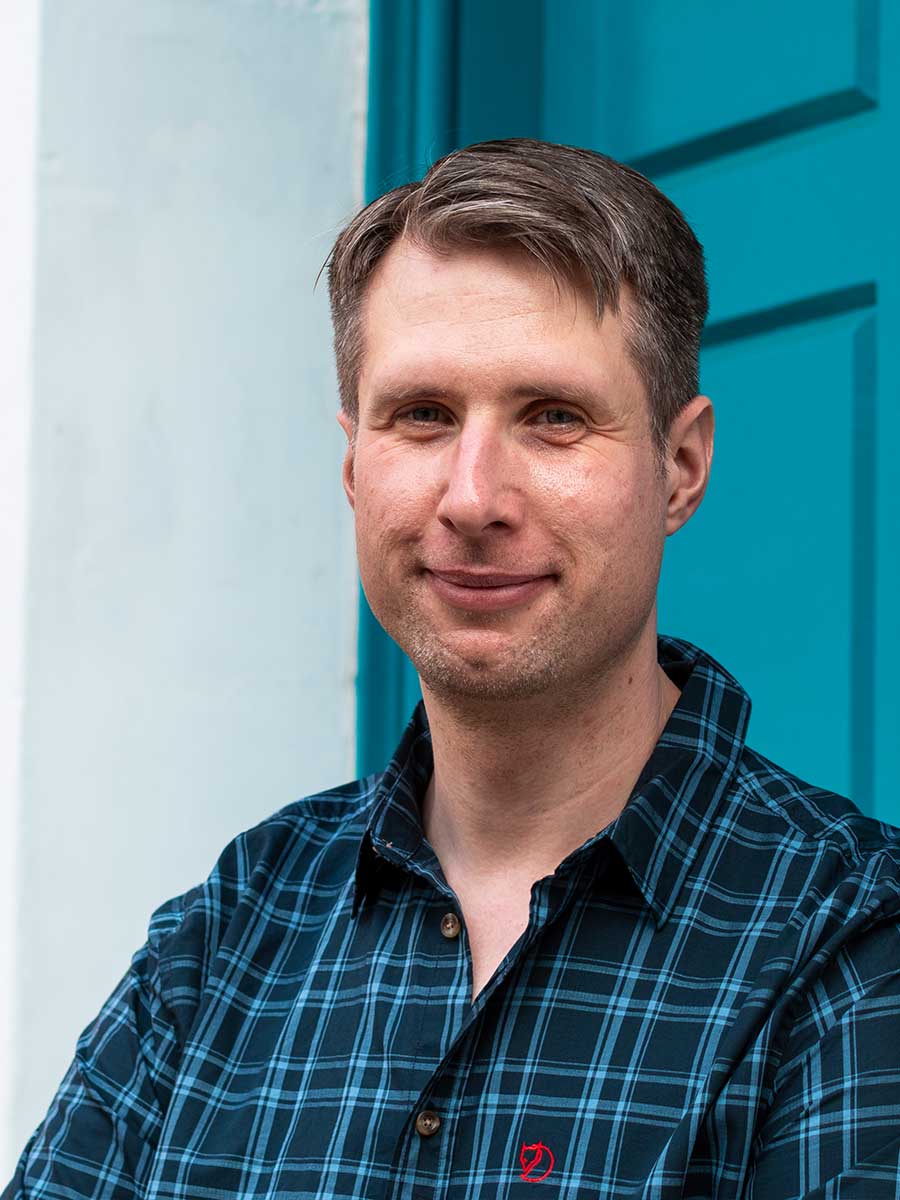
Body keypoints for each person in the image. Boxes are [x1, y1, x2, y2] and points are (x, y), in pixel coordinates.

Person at [5, 138, 900, 1200]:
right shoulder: (223, 940)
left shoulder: (850, 950)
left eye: (554, 417)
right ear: (352, 465)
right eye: (422, 415)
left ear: (681, 466)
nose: (473, 497)